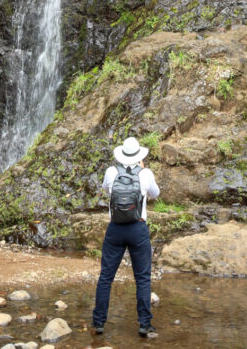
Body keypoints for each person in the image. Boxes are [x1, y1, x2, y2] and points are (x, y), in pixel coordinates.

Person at [91, 136, 160, 339]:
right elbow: (155, 194)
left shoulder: (111, 172)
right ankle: (144, 324)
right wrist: (142, 171)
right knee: (143, 277)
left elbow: (106, 190)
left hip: (115, 229)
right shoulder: (146, 173)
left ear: (121, 155)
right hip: (138, 229)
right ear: (139, 156)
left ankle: (98, 323)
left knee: (106, 277)